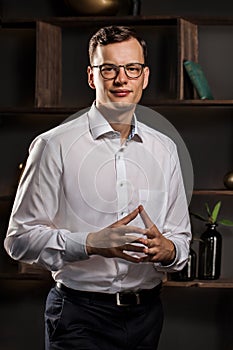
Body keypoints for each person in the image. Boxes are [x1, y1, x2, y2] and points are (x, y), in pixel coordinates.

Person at [4, 25, 191, 350]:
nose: (122, 79)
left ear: (144, 77)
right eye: (109, 69)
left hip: (148, 314)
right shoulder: (53, 145)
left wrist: (169, 251)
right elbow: (18, 241)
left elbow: (181, 239)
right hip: (78, 316)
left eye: (132, 68)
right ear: (92, 77)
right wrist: (89, 244)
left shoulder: (165, 149)